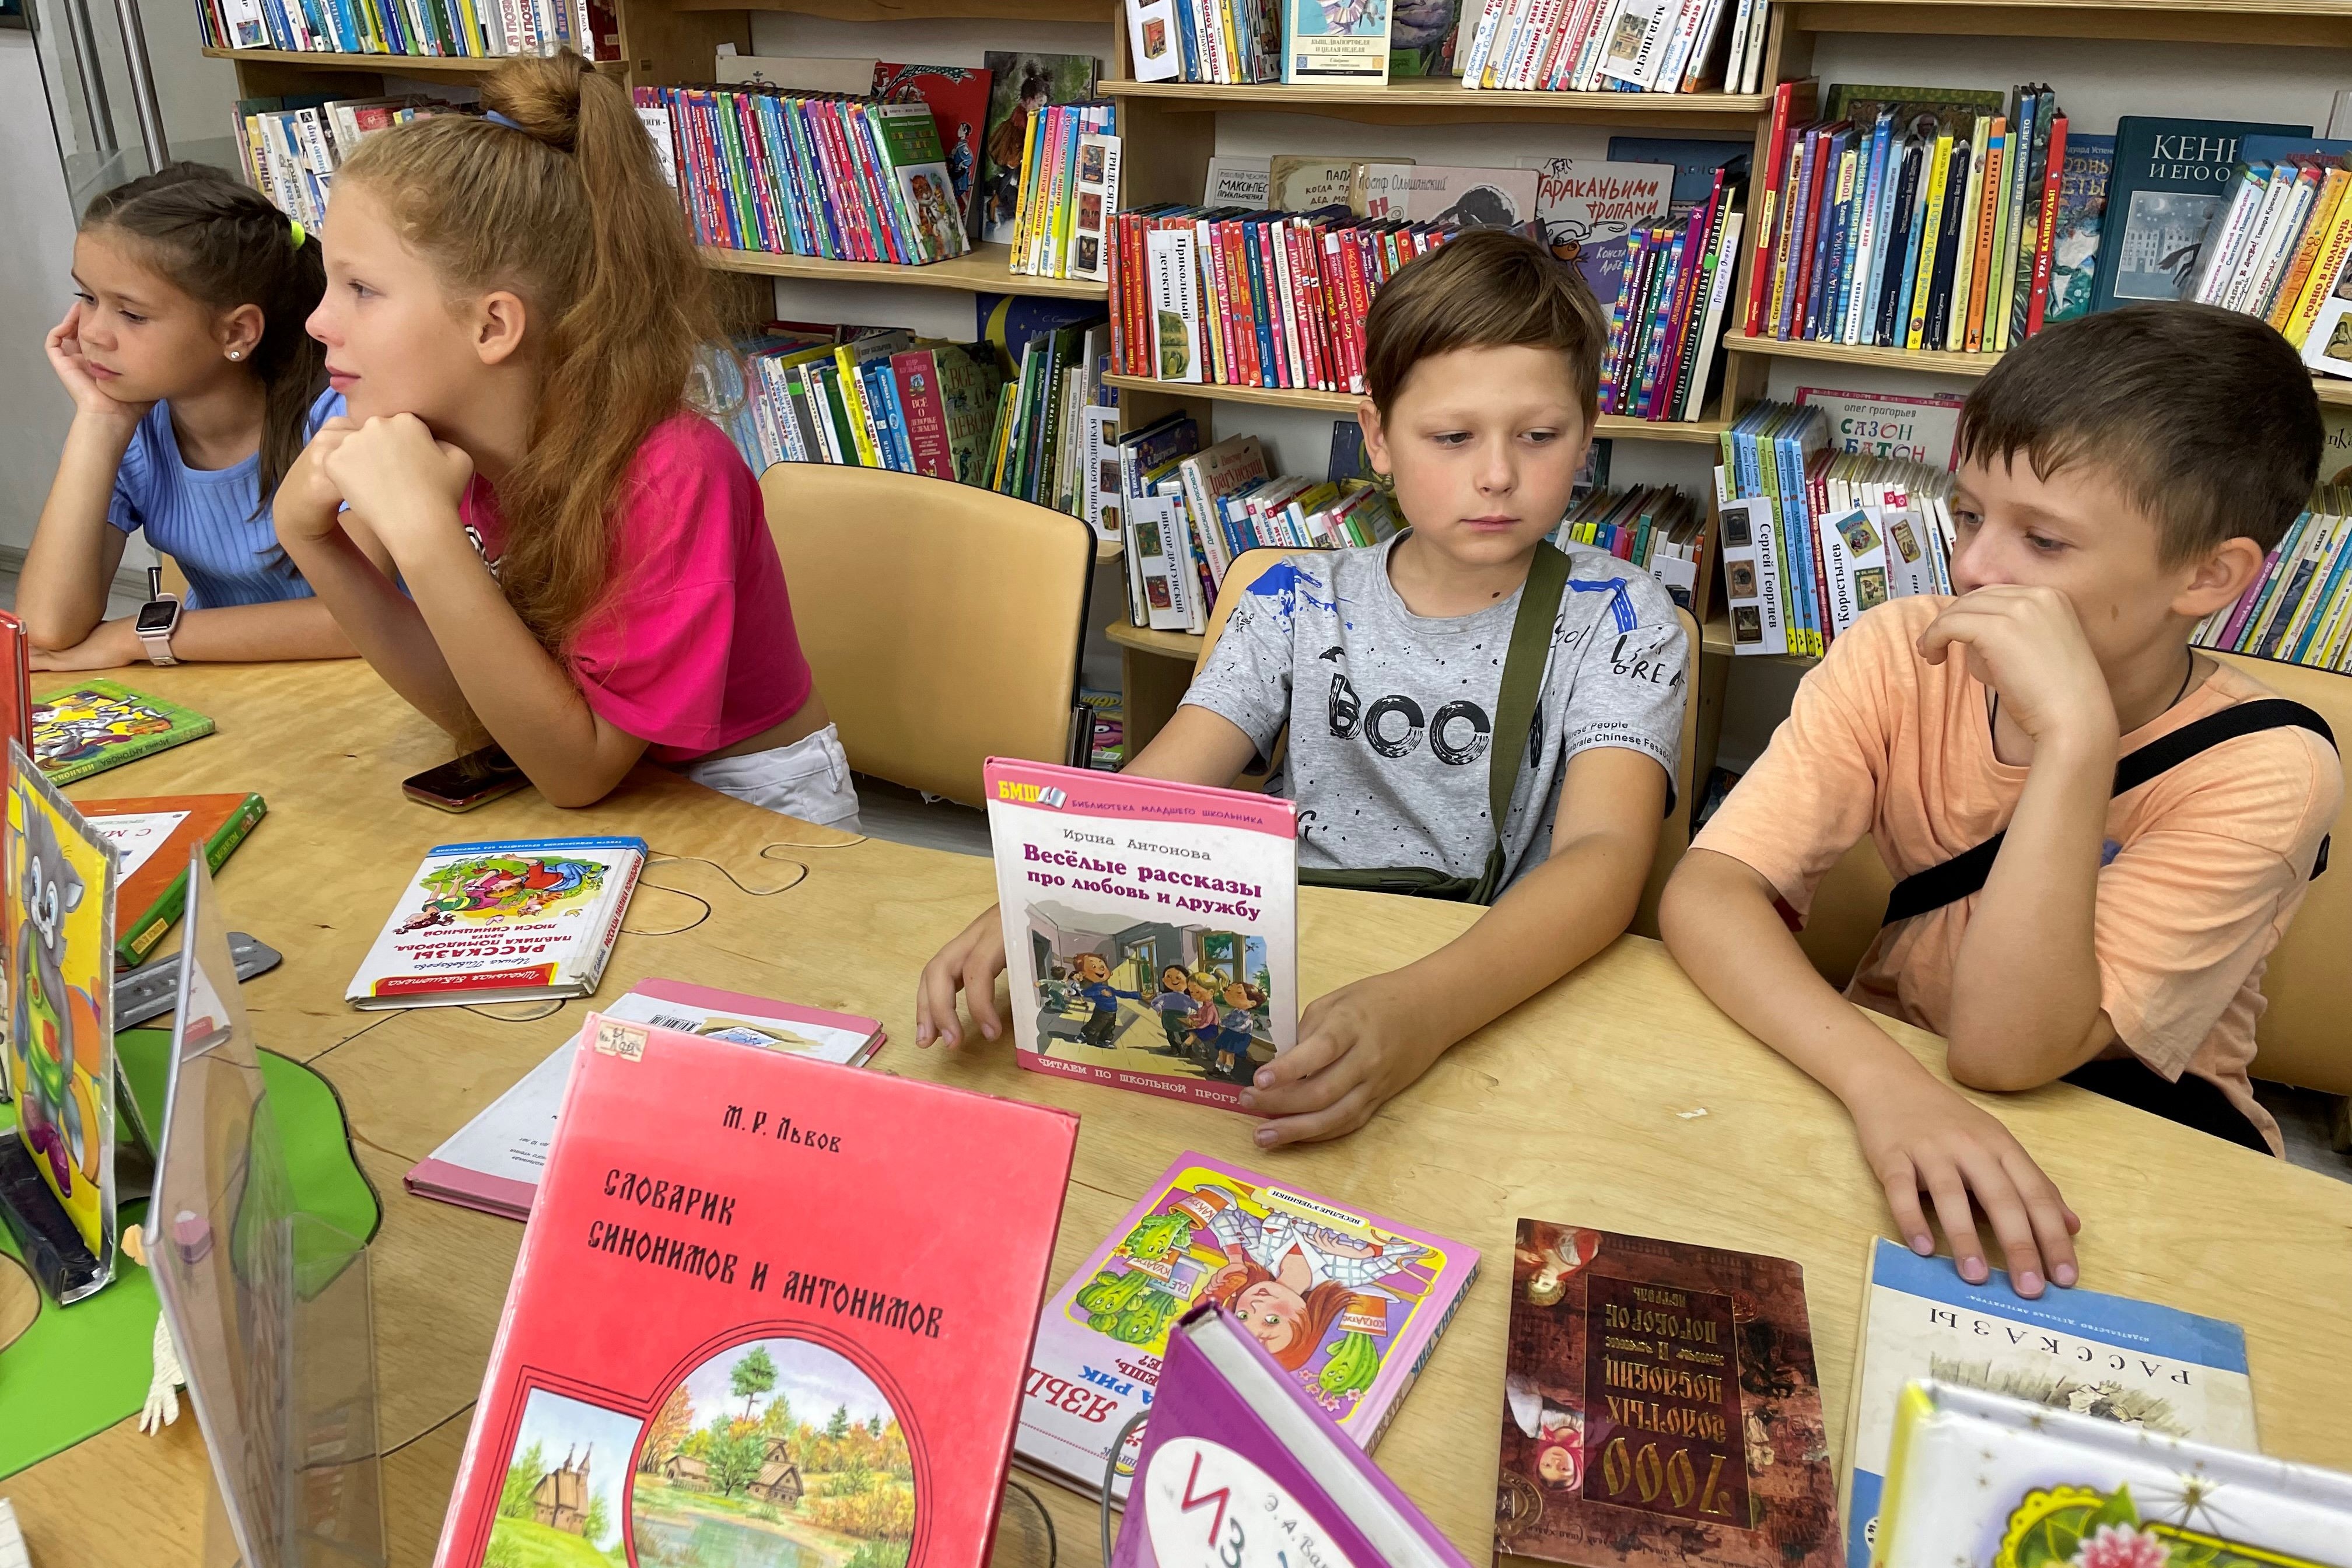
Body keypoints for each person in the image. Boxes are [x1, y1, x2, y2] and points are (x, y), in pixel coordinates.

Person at [917, 230, 1689, 1146]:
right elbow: (1163, 790)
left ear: (1587, 437)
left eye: (1540, 436)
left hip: (1487, 991)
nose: (1496, 475)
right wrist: (1042, 895)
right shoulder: (1294, 599)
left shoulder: (1622, 617)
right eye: (1451, 437)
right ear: (1379, 437)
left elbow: (1606, 857)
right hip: (1299, 976)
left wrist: (1424, 1011)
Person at [1662, 303, 2343, 1300]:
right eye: (1971, 514)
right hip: (1893, 1081)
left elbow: (2006, 1048)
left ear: (2208, 574)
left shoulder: (2268, 770)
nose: (1974, 569)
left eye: (2046, 540)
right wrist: (1884, 1084)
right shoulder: (1902, 648)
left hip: (2128, 1136)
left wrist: (2074, 741)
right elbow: (1709, 890)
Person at [275, 52, 855, 824]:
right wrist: (314, 543)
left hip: (753, 807)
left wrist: (423, 536)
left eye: (361, 289)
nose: (318, 321)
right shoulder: (456, 443)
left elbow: (578, 771)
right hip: (603, 792)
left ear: (493, 326)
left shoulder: (672, 475)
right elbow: (486, 715)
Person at [28, 163, 364, 669]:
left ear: (237, 333)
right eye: (88, 298)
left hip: (372, 693)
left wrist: (137, 638)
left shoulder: (342, 418)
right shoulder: (133, 431)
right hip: (229, 688)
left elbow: (355, 623)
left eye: (132, 314)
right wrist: (100, 421)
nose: (92, 333)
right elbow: (48, 627)